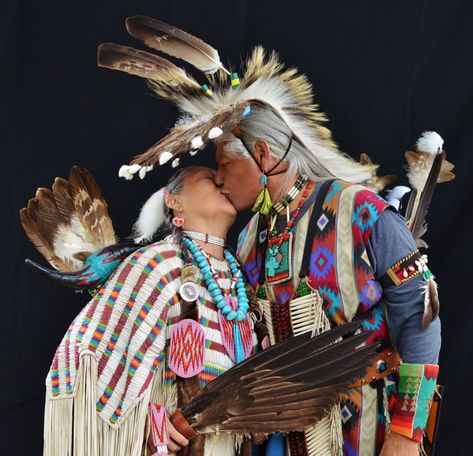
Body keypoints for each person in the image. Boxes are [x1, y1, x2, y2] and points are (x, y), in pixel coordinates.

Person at [93, 15, 446, 455]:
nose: (219, 178)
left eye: (224, 165)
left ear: (261, 154)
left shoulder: (359, 212)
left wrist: (406, 433)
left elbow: (420, 317)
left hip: (367, 432)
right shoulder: (249, 241)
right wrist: (179, 412)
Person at [40, 166, 259, 456]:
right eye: (208, 177)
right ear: (174, 201)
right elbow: (82, 353)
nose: (221, 179)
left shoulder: (239, 278)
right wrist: (142, 420)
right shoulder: (155, 264)